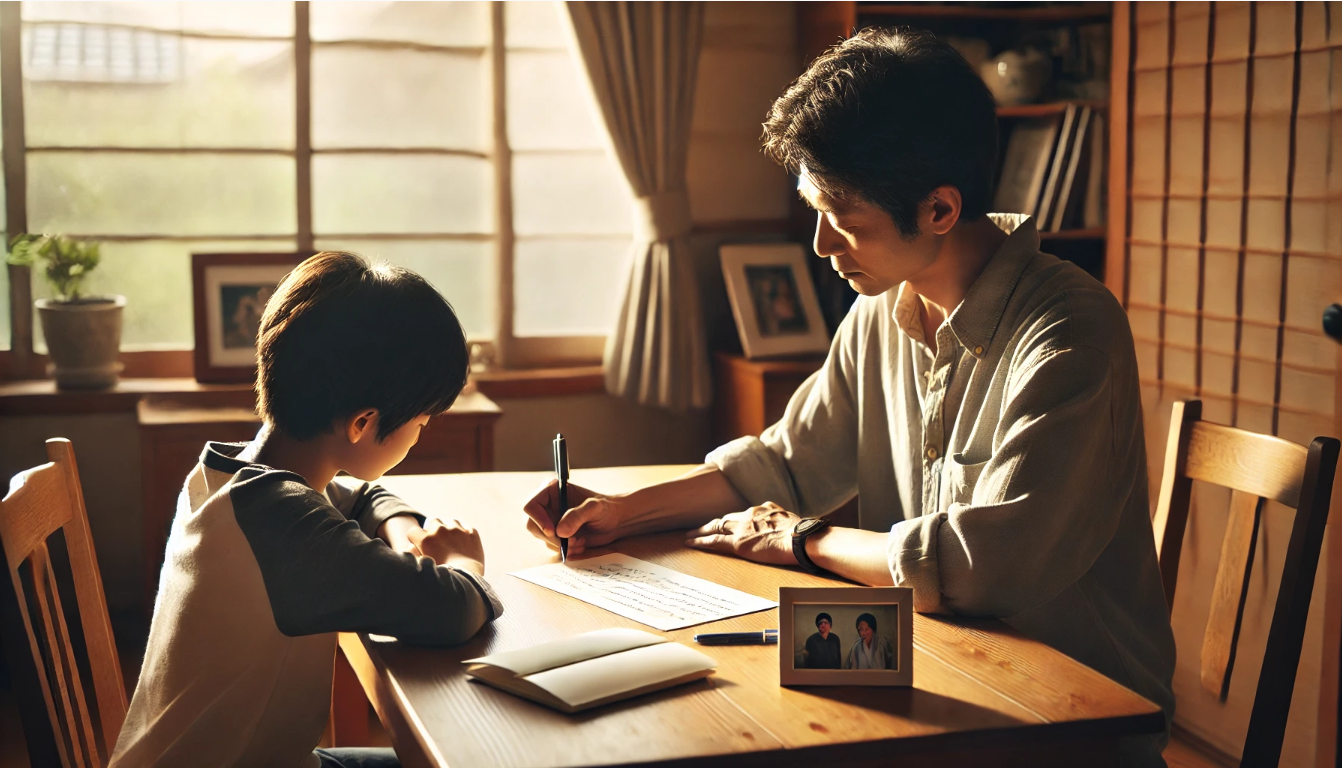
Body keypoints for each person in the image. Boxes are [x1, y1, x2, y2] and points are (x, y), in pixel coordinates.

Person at [523, 28, 1174, 767]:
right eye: (816, 211)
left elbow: (985, 564)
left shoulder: (1068, 331)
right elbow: (786, 464)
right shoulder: (882, 310)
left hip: (1070, 721)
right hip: (937, 674)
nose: (823, 246)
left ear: (939, 209)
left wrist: (805, 539)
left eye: (846, 221)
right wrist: (621, 513)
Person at [110, 252, 503, 768]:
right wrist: (463, 561)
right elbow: (451, 611)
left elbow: (361, 498)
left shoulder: (237, 478)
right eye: (422, 424)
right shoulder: (289, 528)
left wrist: (402, 529)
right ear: (363, 424)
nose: (420, 435)